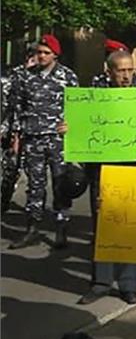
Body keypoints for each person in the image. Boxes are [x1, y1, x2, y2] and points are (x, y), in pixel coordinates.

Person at [78, 50, 136, 306]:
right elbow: (82, 125)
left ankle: (128, 285)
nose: (126, 76)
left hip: (135, 171)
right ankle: (101, 282)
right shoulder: (94, 96)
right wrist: (69, 128)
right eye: (121, 70)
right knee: (103, 228)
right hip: (103, 171)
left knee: (132, 228)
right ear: (109, 72)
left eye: (130, 70)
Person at [8, 35, 78, 249]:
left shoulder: (67, 77)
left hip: (58, 140)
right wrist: (16, 136)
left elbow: (78, 108)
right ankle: (32, 228)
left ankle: (61, 228)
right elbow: (18, 107)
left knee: (60, 184)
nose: (41, 56)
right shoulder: (26, 76)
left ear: (55, 55)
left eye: (46, 53)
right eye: (38, 52)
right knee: (35, 185)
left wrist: (72, 127)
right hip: (33, 138)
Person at [1, 44, 35, 215]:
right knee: (11, 169)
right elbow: (10, 106)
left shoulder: (51, 77)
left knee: (34, 174)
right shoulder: (15, 75)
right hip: (13, 129)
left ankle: (33, 209)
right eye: (32, 55)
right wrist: (11, 132)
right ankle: (4, 202)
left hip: (36, 132)